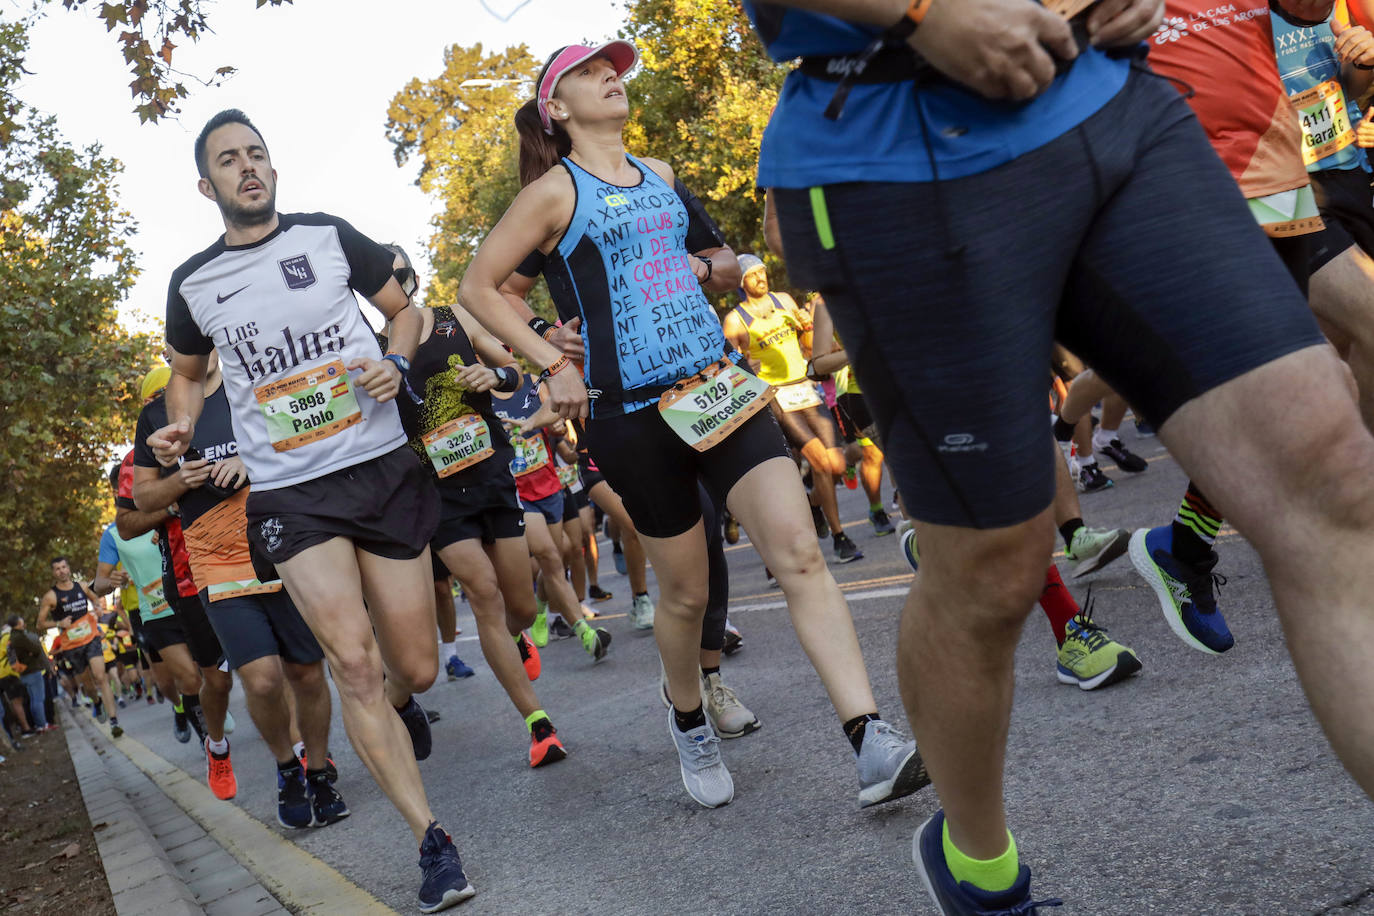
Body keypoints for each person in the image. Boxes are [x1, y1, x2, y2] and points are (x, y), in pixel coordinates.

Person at [747, 0, 1374, 912]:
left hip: (1112, 100)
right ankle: (979, 867)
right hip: (894, 145)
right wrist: (922, 13)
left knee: (1332, 474)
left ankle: (1182, 546)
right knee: (996, 568)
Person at [457, 40, 926, 811]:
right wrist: (551, 357)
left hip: (717, 389)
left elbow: (716, 260)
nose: (611, 77)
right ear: (558, 108)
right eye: (587, 73)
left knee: (800, 554)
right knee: (685, 594)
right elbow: (478, 286)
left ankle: (869, 737)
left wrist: (711, 270)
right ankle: (687, 717)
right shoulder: (551, 193)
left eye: (614, 69)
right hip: (629, 417)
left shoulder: (663, 179)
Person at [149, 108, 473, 911]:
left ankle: (404, 704)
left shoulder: (329, 236)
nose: (247, 167)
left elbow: (407, 309)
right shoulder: (194, 283)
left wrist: (395, 363)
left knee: (414, 665)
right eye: (228, 160)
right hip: (292, 494)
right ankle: (433, 844)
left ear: (273, 169)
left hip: (380, 467)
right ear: (207, 184)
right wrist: (181, 421)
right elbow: (186, 373)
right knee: (353, 665)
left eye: (256, 154)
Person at [133, 349, 348, 826]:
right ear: (170, 350)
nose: (193, 350)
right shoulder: (157, 415)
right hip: (218, 563)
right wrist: (177, 483)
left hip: (282, 544)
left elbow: (303, 437)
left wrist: (252, 464)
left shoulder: (250, 387)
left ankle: (318, 772)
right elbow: (142, 495)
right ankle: (287, 768)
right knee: (263, 679)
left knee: (309, 674)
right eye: (180, 343)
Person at [383, 245, 575, 767]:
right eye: (384, 277)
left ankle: (519, 640)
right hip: (439, 496)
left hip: (491, 478)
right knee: (484, 595)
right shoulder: (378, 351)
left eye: (400, 273)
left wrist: (496, 378)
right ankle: (538, 725)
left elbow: (510, 367)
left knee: (521, 608)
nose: (395, 283)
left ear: (414, 278)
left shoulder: (455, 318)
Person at [723, 255, 864, 561]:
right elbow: (727, 369)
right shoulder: (736, 320)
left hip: (805, 387)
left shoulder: (784, 301)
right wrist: (746, 367)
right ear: (741, 283)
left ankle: (815, 506)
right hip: (776, 397)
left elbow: (813, 348)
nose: (762, 278)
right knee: (819, 461)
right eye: (754, 274)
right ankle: (841, 538)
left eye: (763, 271)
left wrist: (807, 325)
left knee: (837, 465)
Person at [36, 557, 123, 738]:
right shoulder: (50, 597)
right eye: (57, 569)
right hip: (72, 646)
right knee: (88, 685)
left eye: (64, 567)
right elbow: (40, 624)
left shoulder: (82, 587)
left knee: (101, 677)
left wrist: (98, 608)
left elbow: (95, 599)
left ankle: (114, 721)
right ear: (54, 573)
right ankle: (97, 701)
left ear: (68, 568)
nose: (61, 571)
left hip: (91, 638)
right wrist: (59, 622)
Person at [6, 616, 55, 732]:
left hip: (22, 673)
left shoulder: (11, 638)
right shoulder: (21, 636)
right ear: (18, 623)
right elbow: (36, 649)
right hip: (32, 670)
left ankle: (39, 724)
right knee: (38, 699)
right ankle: (42, 724)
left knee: (33, 700)